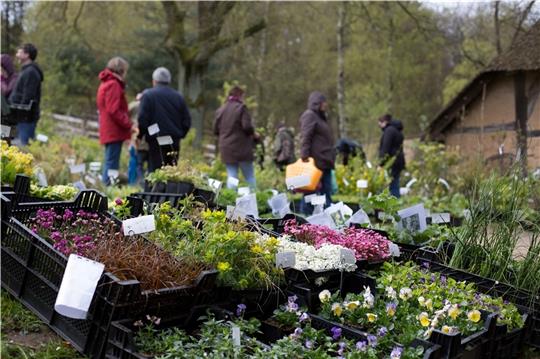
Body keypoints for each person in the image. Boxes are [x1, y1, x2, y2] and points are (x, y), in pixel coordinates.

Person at [137, 67, 191, 172]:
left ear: (154, 81)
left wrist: (142, 134)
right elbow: (187, 121)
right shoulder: (178, 97)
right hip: (173, 140)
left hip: (155, 140)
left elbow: (142, 119)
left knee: (155, 172)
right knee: (171, 174)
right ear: (169, 81)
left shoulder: (148, 95)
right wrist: (180, 134)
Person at [96, 57, 136, 185]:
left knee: (110, 160)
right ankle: (107, 191)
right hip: (113, 130)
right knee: (112, 162)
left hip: (108, 128)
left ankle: (106, 188)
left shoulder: (106, 83)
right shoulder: (113, 84)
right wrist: (129, 124)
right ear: (121, 70)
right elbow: (113, 110)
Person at [214, 85, 258, 189]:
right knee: (249, 176)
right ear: (240, 95)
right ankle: (254, 201)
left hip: (226, 149)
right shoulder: (241, 108)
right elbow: (247, 127)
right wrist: (254, 134)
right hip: (242, 149)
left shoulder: (221, 110)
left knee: (232, 176)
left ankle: (231, 201)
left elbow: (215, 130)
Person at [299, 91, 336, 213]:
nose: (326, 104)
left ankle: (327, 218)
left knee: (325, 191)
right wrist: (305, 157)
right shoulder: (309, 115)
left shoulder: (320, 117)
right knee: (311, 192)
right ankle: (306, 218)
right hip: (315, 162)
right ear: (317, 103)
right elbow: (306, 136)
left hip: (324, 160)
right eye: (323, 102)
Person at [8, 44, 43, 146]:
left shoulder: (31, 72)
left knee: (22, 147)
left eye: (19, 52)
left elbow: (28, 97)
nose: (17, 55)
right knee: (10, 143)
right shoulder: (25, 71)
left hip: (25, 120)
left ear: (27, 55)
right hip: (17, 118)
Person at [378, 114, 405, 198]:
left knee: (392, 185)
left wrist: (380, 163)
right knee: (395, 183)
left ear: (384, 122)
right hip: (398, 161)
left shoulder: (389, 131)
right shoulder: (397, 131)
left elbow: (385, 147)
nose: (380, 126)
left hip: (391, 162)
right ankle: (396, 204)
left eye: (380, 124)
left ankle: (394, 206)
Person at [1, 54, 18, 132]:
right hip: (4, 113)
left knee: (7, 136)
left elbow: (6, 92)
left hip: (10, 113)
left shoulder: (14, 77)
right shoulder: (3, 77)